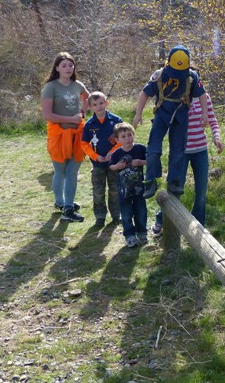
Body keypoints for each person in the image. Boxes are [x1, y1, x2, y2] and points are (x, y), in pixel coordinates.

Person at [133, 45, 209, 199]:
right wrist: (138, 114)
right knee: (153, 150)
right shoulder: (160, 75)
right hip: (162, 114)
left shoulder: (192, 77)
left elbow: (202, 95)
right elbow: (145, 93)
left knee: (178, 151)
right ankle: (151, 180)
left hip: (181, 116)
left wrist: (205, 114)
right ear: (168, 63)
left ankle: (173, 181)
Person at [153, 93, 223, 235]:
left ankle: (199, 226)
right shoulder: (174, 96)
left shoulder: (204, 97)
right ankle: (162, 220)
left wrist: (217, 138)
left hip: (200, 151)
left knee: (201, 192)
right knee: (176, 188)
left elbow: (212, 120)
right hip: (180, 152)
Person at [41, 52, 89, 222]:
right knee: (60, 171)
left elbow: (87, 98)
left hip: (78, 134)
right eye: (64, 65)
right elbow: (48, 115)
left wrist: (82, 112)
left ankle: (68, 208)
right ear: (57, 68)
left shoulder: (78, 85)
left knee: (72, 171)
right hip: (58, 135)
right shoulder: (51, 87)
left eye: (71, 65)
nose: (68, 68)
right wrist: (71, 119)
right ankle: (60, 202)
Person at [81, 91, 123, 229]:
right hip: (98, 164)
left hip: (114, 163)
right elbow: (84, 144)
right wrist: (95, 156)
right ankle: (100, 217)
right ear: (90, 107)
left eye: (101, 103)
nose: (99, 107)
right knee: (98, 191)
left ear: (106, 103)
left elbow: (123, 139)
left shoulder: (116, 121)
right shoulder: (89, 125)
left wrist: (113, 152)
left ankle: (116, 215)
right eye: (95, 105)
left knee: (115, 189)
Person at [108, 122, 149, 248]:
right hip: (124, 191)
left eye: (129, 135)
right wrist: (118, 166)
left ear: (133, 135)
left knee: (141, 211)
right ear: (117, 140)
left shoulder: (140, 149)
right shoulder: (116, 154)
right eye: (123, 136)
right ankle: (129, 235)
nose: (127, 139)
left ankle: (142, 233)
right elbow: (111, 166)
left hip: (139, 189)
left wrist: (141, 162)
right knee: (126, 214)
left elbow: (150, 161)